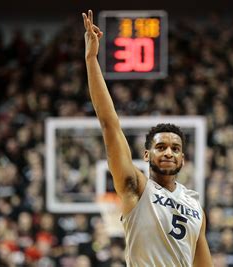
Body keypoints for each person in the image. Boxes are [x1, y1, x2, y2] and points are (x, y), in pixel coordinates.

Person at [82, 10, 213, 266]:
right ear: (146, 155)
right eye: (161, 146)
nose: (168, 152)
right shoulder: (137, 187)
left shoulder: (196, 206)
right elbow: (110, 125)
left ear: (183, 159)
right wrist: (91, 59)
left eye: (175, 148)